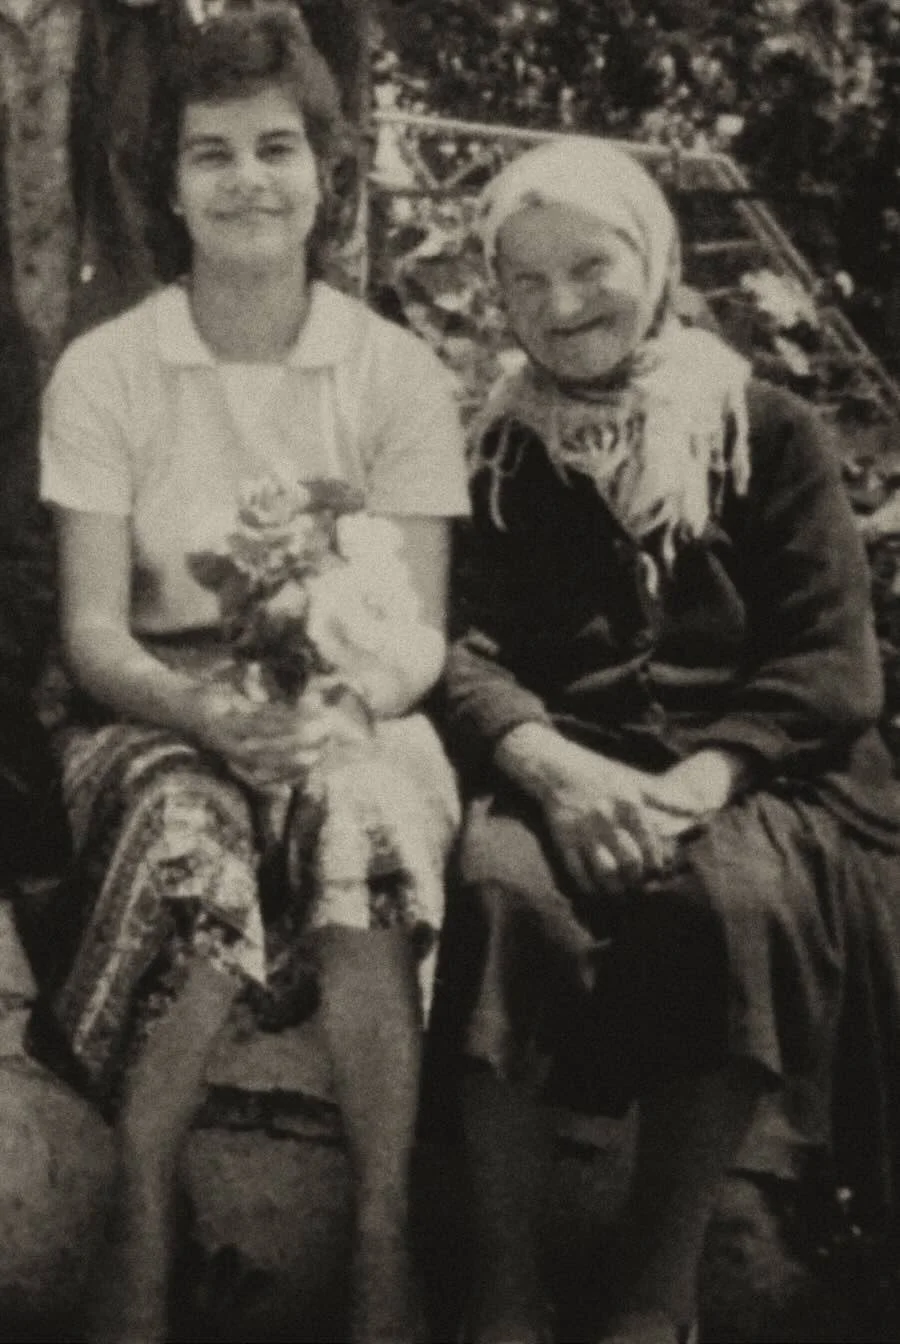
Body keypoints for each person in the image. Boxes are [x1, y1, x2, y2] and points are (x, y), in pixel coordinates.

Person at [36, 7, 468, 1343]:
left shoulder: (394, 372)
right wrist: (204, 711)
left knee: (373, 813)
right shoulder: (107, 371)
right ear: (164, 182)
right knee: (190, 842)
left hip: (351, 697)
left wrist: (332, 702)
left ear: (327, 173)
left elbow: (420, 636)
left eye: (276, 149)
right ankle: (147, 1206)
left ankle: (386, 1220)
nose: (247, 182)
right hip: (154, 698)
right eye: (209, 154)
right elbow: (95, 637)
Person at [436, 138, 900, 1344]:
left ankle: (657, 1283)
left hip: (747, 774)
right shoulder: (494, 453)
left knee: (733, 909)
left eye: (592, 265)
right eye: (524, 282)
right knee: (500, 896)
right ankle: (502, 1290)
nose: (563, 304)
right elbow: (454, 643)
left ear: (658, 256)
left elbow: (830, 659)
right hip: (558, 764)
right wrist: (547, 763)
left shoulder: (765, 428)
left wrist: (698, 782)